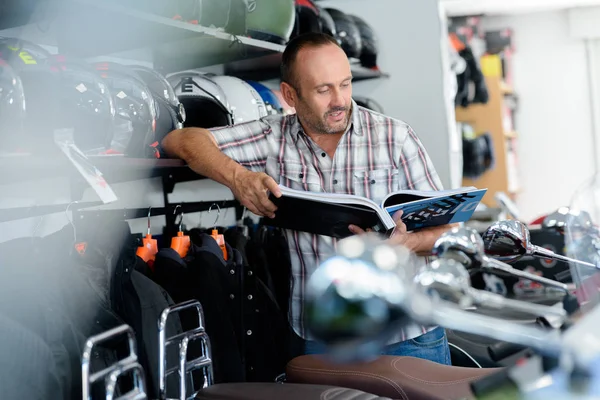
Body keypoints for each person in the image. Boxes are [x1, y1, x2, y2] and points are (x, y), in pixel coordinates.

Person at [162, 32, 455, 364]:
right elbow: (181, 140)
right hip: (322, 339)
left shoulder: (396, 137)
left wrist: (405, 245)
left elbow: (449, 231)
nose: (340, 100)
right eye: (323, 89)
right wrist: (237, 178)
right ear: (290, 94)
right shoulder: (272, 138)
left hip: (408, 333)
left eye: (345, 84)